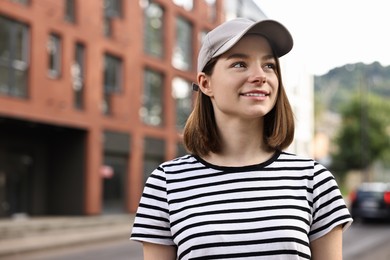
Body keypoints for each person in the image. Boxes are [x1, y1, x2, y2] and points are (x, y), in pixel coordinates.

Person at [131, 17, 353, 260]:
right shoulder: (165, 184)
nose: (260, 76)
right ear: (206, 84)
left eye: (269, 66)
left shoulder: (313, 180)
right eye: (239, 64)